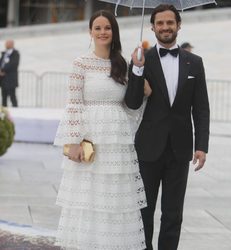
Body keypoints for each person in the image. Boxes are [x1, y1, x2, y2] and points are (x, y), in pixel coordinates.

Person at [54, 10, 148, 250]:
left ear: (114, 32)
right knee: (88, 196)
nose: (103, 32)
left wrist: (141, 83)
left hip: (116, 142)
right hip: (90, 137)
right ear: (90, 32)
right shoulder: (80, 63)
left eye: (107, 28)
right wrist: (74, 141)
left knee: (114, 196)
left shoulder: (122, 64)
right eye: (98, 28)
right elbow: (74, 103)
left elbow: (130, 107)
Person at [125, 4, 210, 250]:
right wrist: (137, 69)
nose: (165, 27)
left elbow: (201, 108)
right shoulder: (142, 59)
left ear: (178, 25)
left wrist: (202, 146)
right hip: (148, 148)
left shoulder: (195, 62)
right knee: (144, 211)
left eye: (169, 23)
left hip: (180, 150)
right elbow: (131, 103)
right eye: (160, 23)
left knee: (173, 214)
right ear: (152, 27)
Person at [0, 40, 20, 107]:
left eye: (7, 43)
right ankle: (4, 113)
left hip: (11, 79)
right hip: (3, 79)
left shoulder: (15, 54)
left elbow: (13, 65)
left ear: (12, 44)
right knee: (4, 97)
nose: (6, 45)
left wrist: (3, 70)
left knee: (12, 97)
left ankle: (16, 111)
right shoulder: (4, 53)